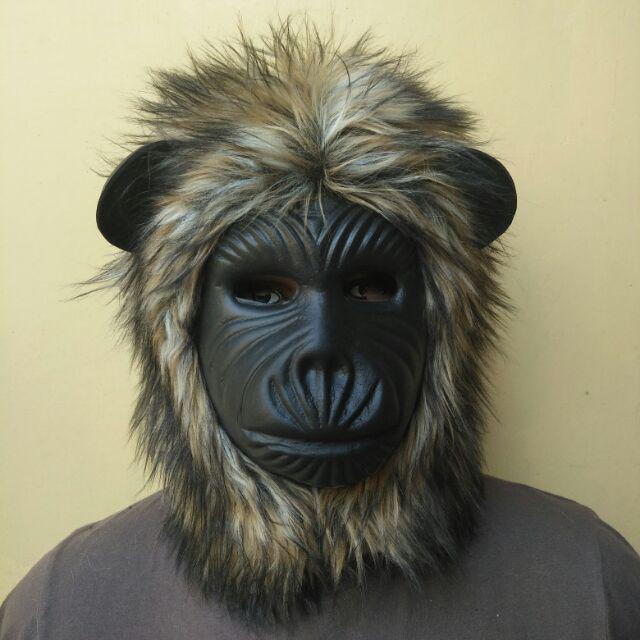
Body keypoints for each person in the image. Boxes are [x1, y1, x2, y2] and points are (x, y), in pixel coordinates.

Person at [2, 17, 639, 640]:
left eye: (371, 289)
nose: (323, 352)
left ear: (443, 326)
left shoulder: (590, 582)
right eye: (261, 294)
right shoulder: (66, 606)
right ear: (180, 334)